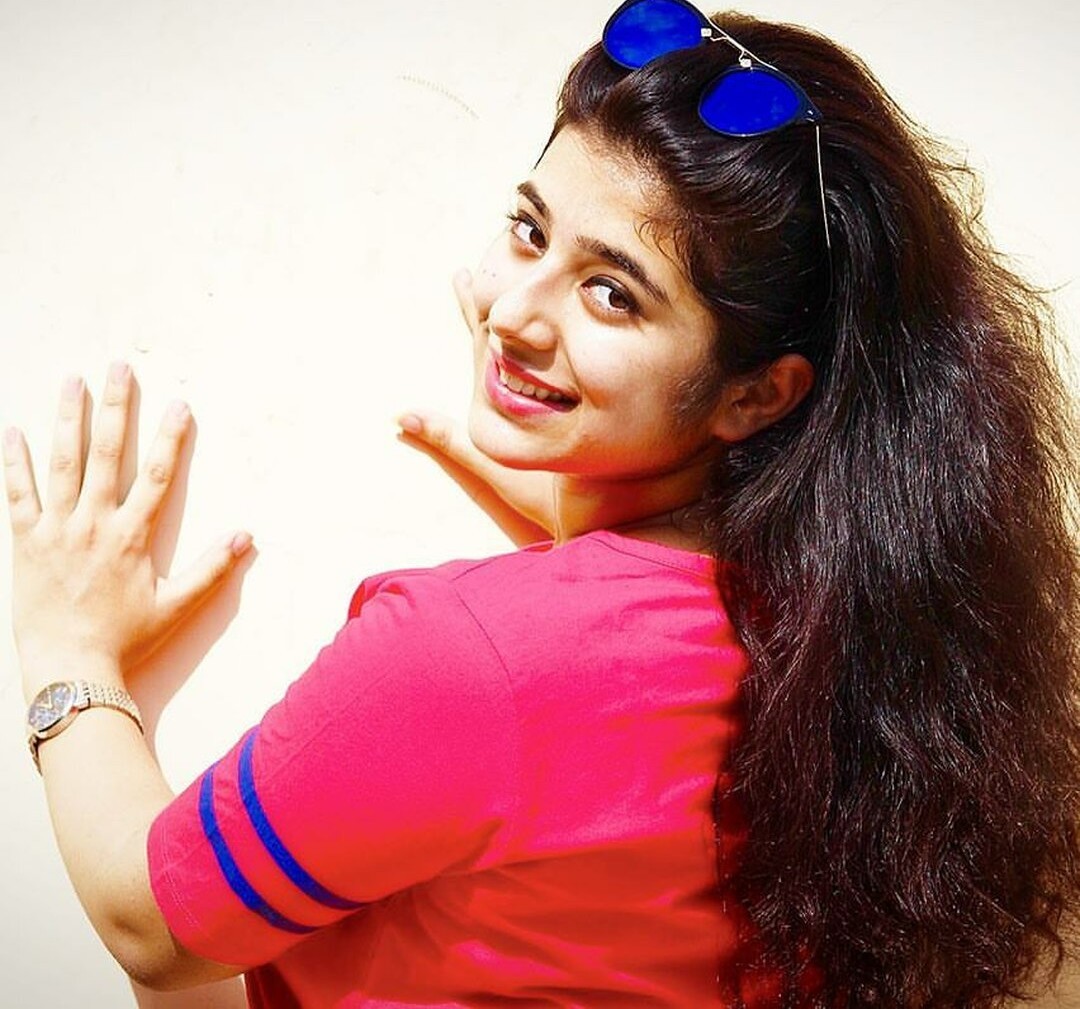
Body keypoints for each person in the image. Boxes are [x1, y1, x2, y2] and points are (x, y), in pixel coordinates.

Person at [5, 2, 1079, 1006]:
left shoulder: (465, 658)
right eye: (529, 231)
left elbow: (150, 924)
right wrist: (591, 522)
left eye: (612, 293)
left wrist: (68, 649)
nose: (511, 313)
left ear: (756, 393)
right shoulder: (874, 629)